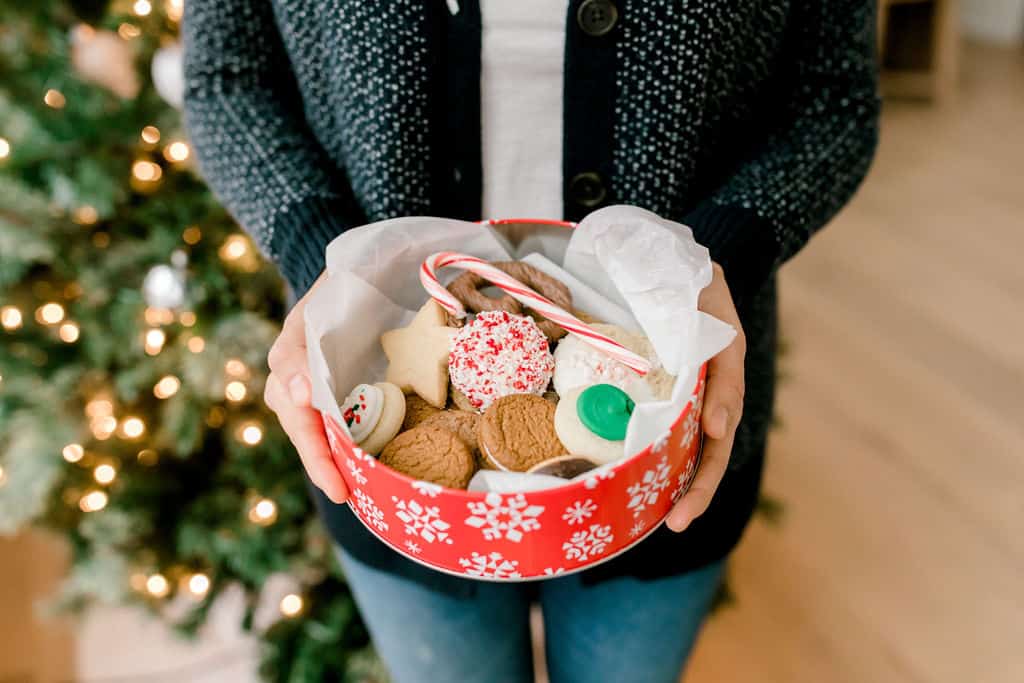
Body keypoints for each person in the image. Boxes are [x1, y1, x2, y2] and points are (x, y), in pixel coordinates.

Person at [183, 1, 879, 680]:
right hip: (391, 454)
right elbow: (226, 79)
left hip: (665, 434)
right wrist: (330, 264)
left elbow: (833, 102)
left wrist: (714, 255)